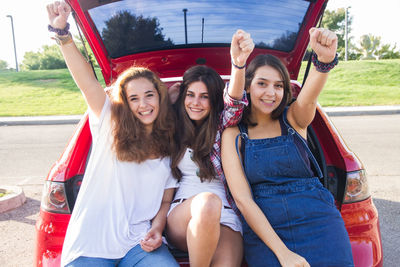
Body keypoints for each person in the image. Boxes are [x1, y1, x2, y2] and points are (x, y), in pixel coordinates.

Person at [46, 2, 179, 266]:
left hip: (138, 242)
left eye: (149, 95)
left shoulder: (169, 143)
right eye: (134, 98)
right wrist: (63, 35)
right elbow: (86, 82)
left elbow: (166, 198)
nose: (143, 104)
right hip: (92, 242)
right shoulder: (109, 123)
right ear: (124, 103)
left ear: (160, 98)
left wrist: (157, 227)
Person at [221, 28, 354, 267]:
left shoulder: (294, 119)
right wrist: (282, 253)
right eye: (262, 84)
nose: (271, 93)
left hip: (320, 223)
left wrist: (323, 61)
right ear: (248, 86)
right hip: (267, 232)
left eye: (279, 86)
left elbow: (310, 97)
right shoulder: (233, 134)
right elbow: (243, 200)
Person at [165, 30, 254, 267]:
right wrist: (166, 99)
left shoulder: (222, 127)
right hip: (184, 213)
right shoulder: (172, 126)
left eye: (204, 97)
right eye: (190, 95)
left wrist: (238, 63)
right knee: (207, 203)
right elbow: (137, 114)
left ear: (214, 100)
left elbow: (235, 101)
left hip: (227, 216)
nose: (195, 102)